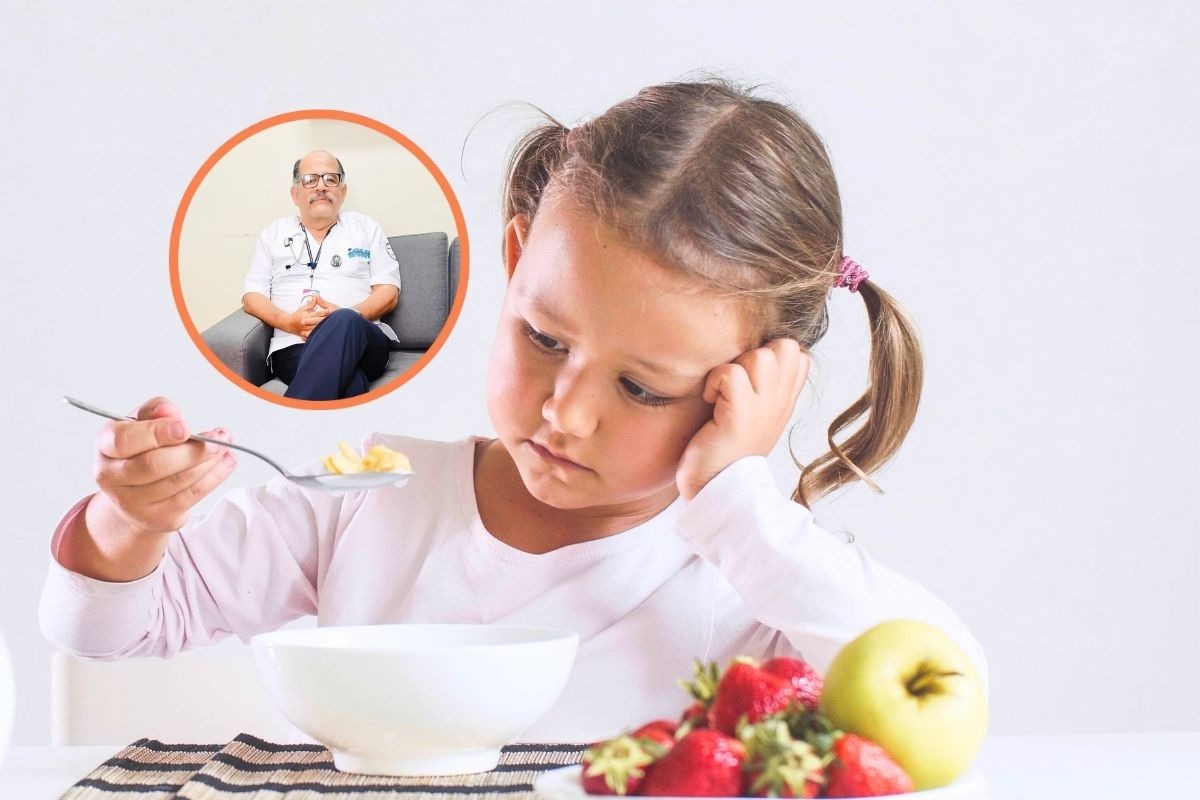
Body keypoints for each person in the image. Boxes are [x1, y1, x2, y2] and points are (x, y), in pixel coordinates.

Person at [41, 80, 985, 742]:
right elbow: (103, 630)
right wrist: (130, 523)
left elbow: (948, 688)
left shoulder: (743, 575)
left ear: (749, 386)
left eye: (642, 387)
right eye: (545, 338)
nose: (566, 413)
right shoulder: (373, 495)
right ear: (516, 257)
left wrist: (741, 504)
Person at [242, 149, 402, 400]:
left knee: (344, 319)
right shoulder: (273, 233)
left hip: (365, 342)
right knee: (352, 384)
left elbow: (389, 292)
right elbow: (252, 297)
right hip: (294, 345)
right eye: (310, 179)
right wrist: (288, 323)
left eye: (331, 179)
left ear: (343, 191)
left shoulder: (366, 228)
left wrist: (346, 316)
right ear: (295, 194)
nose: (321, 186)